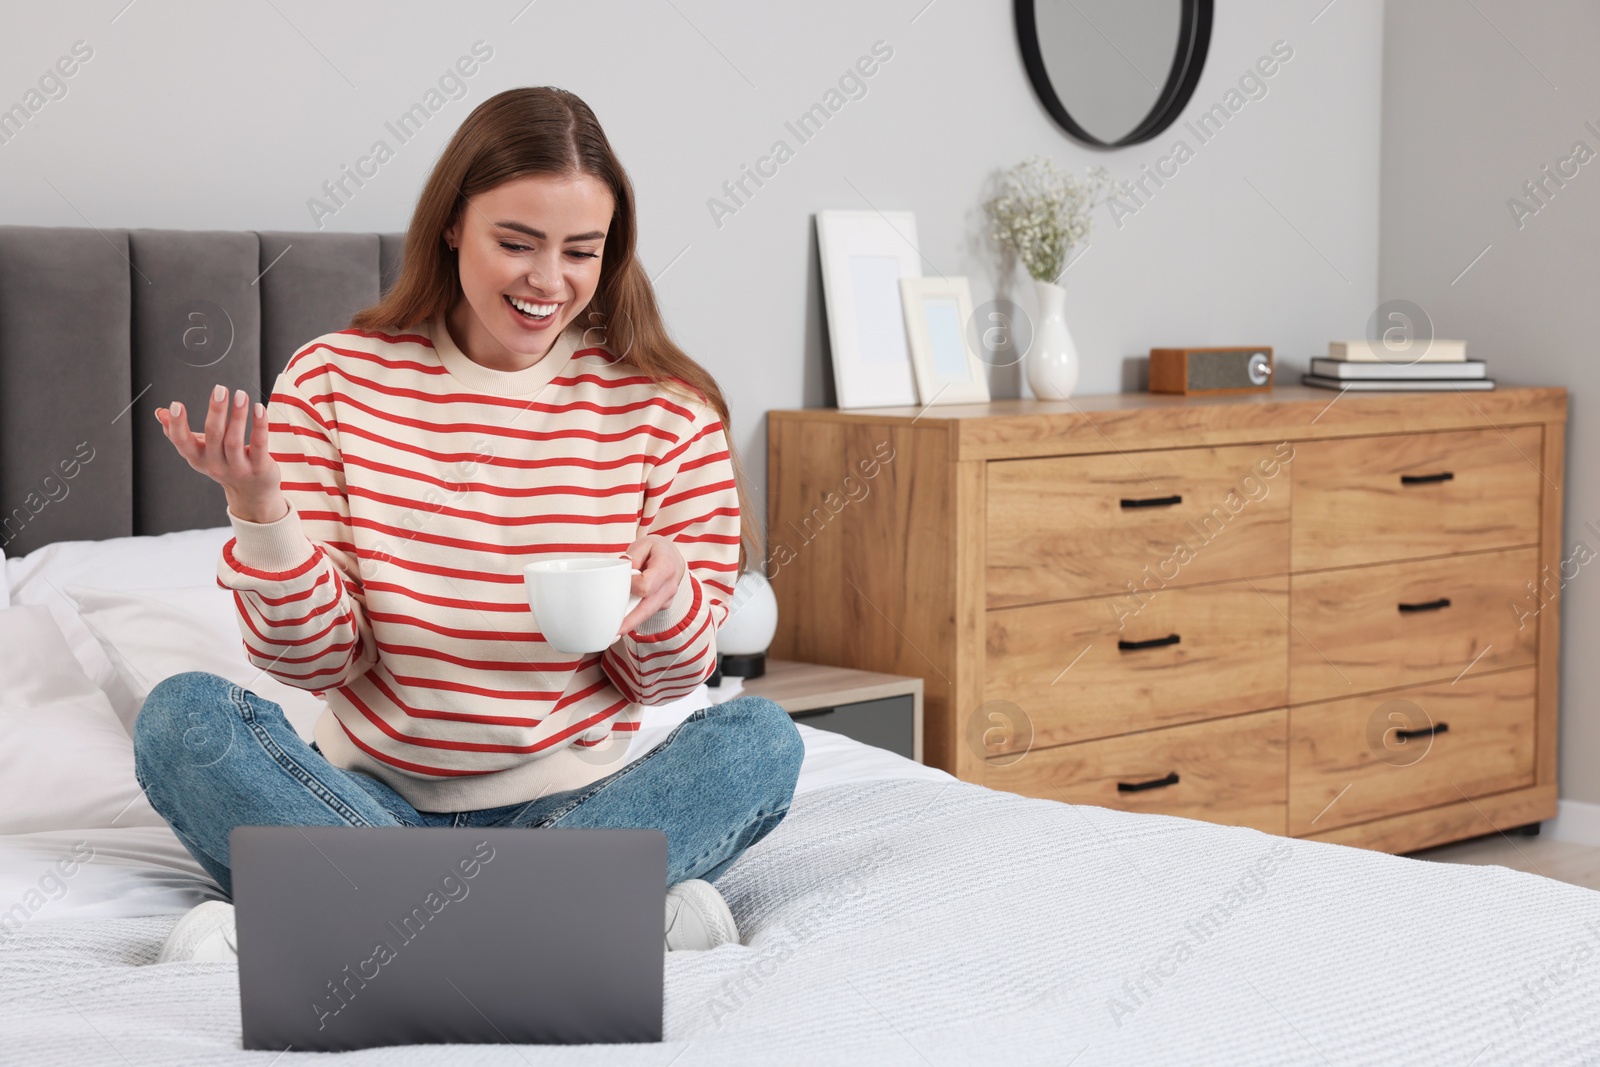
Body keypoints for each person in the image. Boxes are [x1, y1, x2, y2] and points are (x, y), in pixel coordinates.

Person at [133, 86, 803, 964]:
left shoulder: (666, 411)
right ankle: (563, 919)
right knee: (180, 721)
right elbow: (317, 658)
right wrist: (263, 515)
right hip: (367, 803)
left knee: (759, 743)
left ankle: (341, 919)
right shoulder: (334, 383)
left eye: (580, 252)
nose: (546, 281)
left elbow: (667, 681)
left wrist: (671, 595)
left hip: (576, 809)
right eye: (516, 243)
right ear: (453, 225)